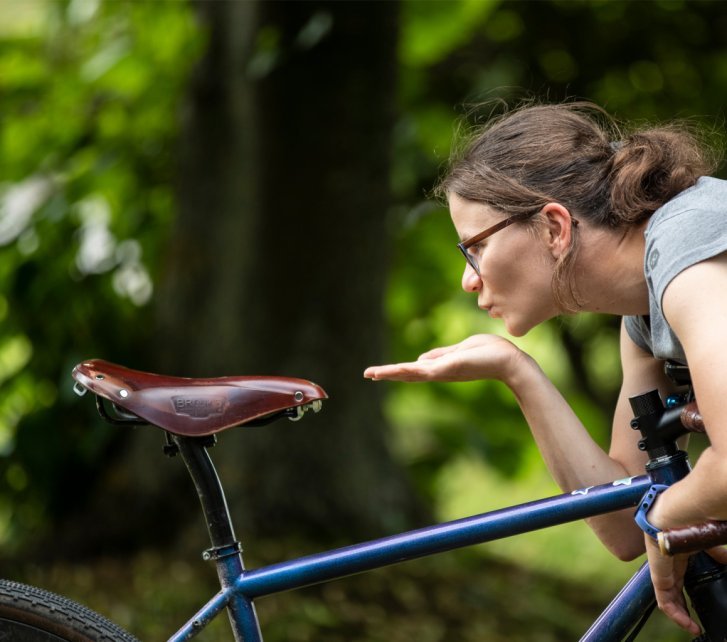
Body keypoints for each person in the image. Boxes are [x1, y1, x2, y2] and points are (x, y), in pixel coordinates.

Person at [363, 101, 727, 635]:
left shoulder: (690, 252)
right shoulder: (642, 314)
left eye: (475, 248)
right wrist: (519, 372)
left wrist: (667, 517)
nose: (469, 279)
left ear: (554, 226)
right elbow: (626, 526)